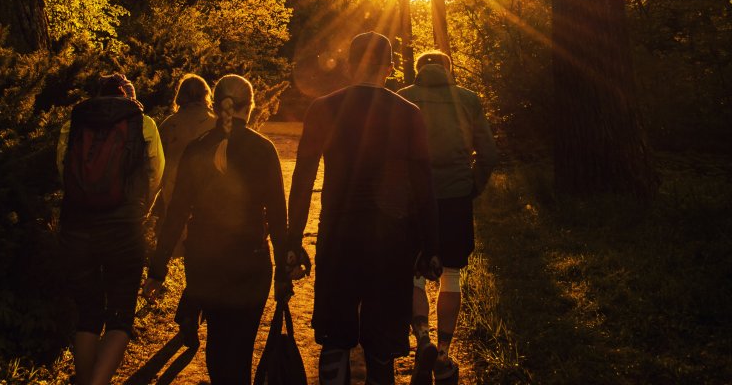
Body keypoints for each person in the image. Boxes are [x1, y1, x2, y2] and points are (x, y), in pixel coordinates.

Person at [286, 32, 442, 385]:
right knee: (381, 345)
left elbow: (302, 180)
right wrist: (431, 247)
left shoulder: (323, 108)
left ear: (350, 66)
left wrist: (293, 241)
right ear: (389, 69)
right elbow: (424, 186)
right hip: (390, 241)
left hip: (338, 236)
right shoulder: (409, 113)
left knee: (335, 339)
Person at [143, 74, 290, 384]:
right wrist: (283, 271)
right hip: (250, 262)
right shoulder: (263, 149)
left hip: (205, 262)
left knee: (218, 341)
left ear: (216, 104)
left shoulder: (197, 149)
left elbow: (177, 214)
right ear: (249, 107)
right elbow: (277, 215)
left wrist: (157, 269)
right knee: (241, 346)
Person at [57, 73, 165, 385]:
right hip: (124, 229)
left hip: (77, 228)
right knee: (120, 317)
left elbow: (61, 172)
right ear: (129, 96)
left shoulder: (74, 121)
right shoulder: (143, 123)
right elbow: (156, 173)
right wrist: (141, 206)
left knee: (88, 317)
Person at [398, 51, 499, 381]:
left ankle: (422, 338)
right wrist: (472, 186)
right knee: (451, 274)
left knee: (415, 272)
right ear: (448, 70)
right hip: (456, 195)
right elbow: (488, 152)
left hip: (413, 199)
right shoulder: (468, 100)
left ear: (418, 71)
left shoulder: (403, 98)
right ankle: (442, 352)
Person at [150, 73, 215, 347]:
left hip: (174, 200)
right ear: (205, 95)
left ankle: (189, 313)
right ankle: (189, 312)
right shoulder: (216, 124)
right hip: (207, 206)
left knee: (194, 265)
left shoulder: (169, 125)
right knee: (207, 264)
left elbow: (157, 168)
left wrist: (154, 205)